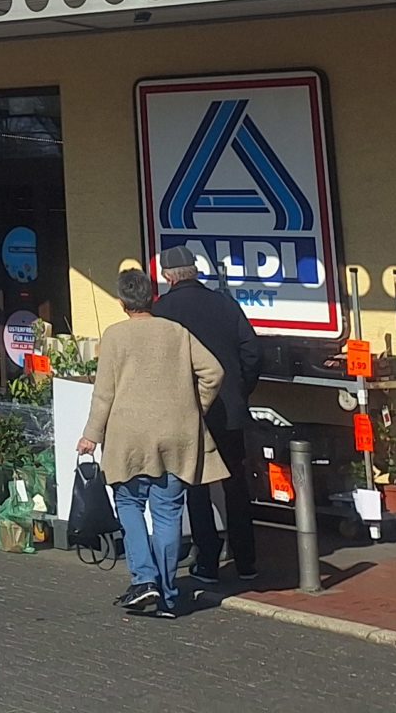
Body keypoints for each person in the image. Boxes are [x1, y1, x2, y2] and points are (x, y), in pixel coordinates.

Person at [78, 262, 222, 619]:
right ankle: (169, 597)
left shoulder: (115, 336)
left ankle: (145, 580)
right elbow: (213, 372)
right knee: (168, 512)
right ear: (152, 297)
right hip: (176, 435)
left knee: (129, 505)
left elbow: (104, 394)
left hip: (128, 437)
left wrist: (90, 436)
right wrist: (195, 408)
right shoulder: (177, 332)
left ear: (122, 302)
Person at [155, 243, 263, 585]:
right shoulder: (224, 303)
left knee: (196, 485)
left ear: (168, 276)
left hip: (188, 410)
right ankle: (246, 561)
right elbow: (252, 351)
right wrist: (240, 389)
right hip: (230, 409)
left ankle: (207, 562)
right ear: (195, 270)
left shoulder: (162, 310)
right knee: (236, 484)